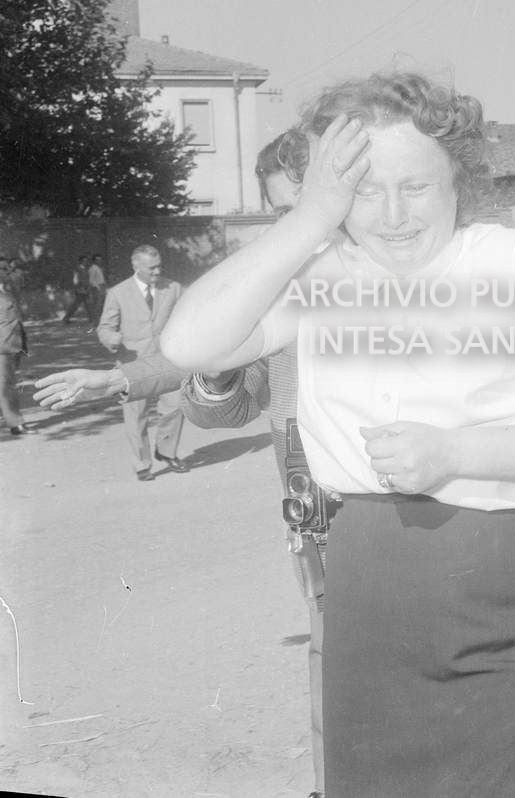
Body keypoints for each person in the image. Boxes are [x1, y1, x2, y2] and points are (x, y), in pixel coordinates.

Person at [160, 72, 515, 798]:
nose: (391, 215)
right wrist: (309, 220)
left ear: (458, 181)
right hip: (368, 589)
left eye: (415, 187)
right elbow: (188, 344)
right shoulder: (319, 276)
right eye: (364, 191)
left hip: (508, 586)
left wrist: (457, 453)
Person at [34, 132, 339, 798]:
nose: (297, 227)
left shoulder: (396, 276)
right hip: (308, 485)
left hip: (397, 487)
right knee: (331, 640)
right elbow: (229, 406)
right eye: (283, 213)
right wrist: (143, 377)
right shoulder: (274, 285)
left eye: (306, 206)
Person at [98, 245, 188, 481]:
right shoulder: (118, 293)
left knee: (176, 406)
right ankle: (142, 464)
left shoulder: (174, 288)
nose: (157, 271)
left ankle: (166, 451)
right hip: (133, 364)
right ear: (135, 266)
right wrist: (111, 339)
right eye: (151, 268)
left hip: (167, 360)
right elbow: (105, 327)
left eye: (159, 266)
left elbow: (189, 314)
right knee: (136, 416)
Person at [0, 269, 32, 435]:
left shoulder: (6, 295)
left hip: (13, 344)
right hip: (3, 347)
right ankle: (15, 424)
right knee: (7, 385)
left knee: (6, 384)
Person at [61, 254, 92, 323]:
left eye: (86, 261)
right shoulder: (78, 269)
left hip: (86, 289)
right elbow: (75, 280)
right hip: (81, 290)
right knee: (76, 305)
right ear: (80, 261)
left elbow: (87, 279)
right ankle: (66, 318)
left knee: (87, 305)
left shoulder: (85, 269)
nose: (85, 262)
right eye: (84, 261)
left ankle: (91, 319)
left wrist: (87, 287)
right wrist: (79, 287)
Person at [88, 253, 107, 320]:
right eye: (97, 260)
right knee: (97, 304)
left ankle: (100, 318)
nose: (99, 261)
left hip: (102, 287)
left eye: (100, 260)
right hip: (97, 288)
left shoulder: (99, 268)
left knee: (102, 303)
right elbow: (91, 280)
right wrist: (98, 287)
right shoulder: (93, 268)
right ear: (94, 261)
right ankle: (96, 319)